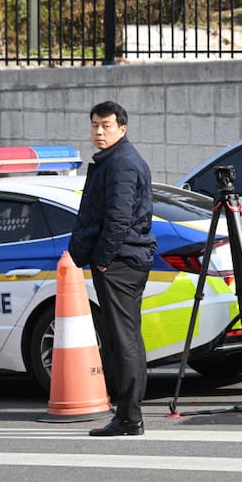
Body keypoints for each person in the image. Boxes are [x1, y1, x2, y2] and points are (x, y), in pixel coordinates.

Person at [69, 101, 157, 436]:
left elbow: (119, 218)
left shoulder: (121, 163)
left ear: (122, 128)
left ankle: (130, 417)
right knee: (126, 336)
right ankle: (128, 413)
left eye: (106, 125)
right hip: (122, 260)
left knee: (123, 340)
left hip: (120, 261)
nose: (99, 131)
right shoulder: (113, 160)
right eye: (94, 125)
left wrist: (103, 259)